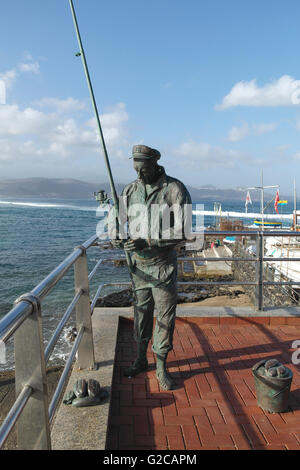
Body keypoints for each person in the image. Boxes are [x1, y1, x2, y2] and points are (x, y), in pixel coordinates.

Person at [110, 144, 192, 390]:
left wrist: (150, 241)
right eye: (135, 168)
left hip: (163, 267)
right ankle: (140, 358)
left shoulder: (175, 190)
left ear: (155, 164)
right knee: (141, 317)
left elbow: (184, 231)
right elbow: (118, 219)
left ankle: (161, 366)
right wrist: (116, 234)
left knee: (165, 318)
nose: (139, 174)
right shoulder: (130, 189)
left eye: (143, 169)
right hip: (138, 269)